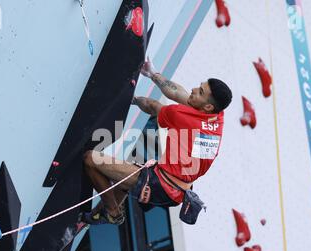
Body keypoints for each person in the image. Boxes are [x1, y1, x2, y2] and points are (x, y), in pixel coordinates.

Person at [79, 58, 232, 225]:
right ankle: (92, 217)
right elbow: (178, 93)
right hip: (180, 188)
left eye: (200, 92)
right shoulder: (216, 116)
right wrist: (153, 73)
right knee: (121, 181)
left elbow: (152, 106)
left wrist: (129, 98)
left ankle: (113, 214)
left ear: (208, 107)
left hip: (163, 185)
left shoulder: (184, 118)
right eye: (199, 86)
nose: (194, 90)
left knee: (90, 159)